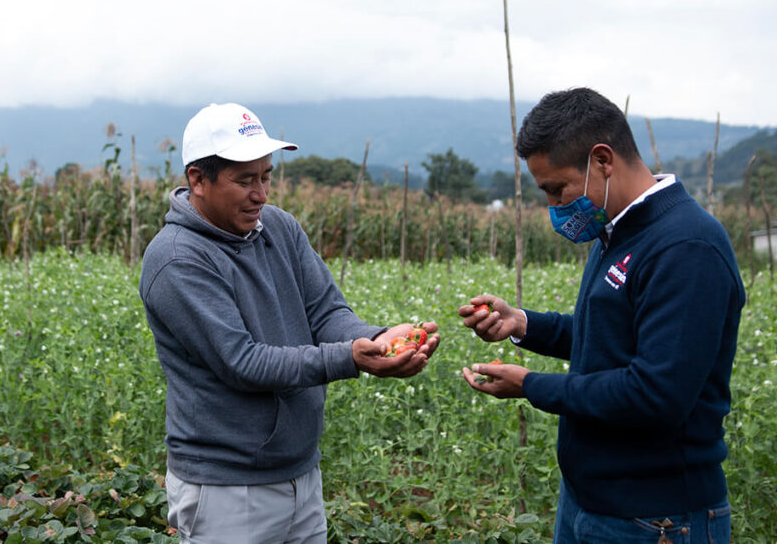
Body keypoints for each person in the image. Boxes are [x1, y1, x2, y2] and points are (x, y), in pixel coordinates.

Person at [140, 102, 439, 544]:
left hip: (300, 473)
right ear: (198, 180)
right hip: (227, 488)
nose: (260, 193)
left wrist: (377, 339)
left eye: (265, 176)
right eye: (245, 180)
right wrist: (352, 359)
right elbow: (242, 362)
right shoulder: (177, 259)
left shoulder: (277, 227)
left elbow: (326, 312)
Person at [458, 87, 743, 544]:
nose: (553, 206)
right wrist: (523, 325)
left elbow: (656, 394)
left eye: (557, 188)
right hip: (590, 502)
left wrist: (531, 385)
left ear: (603, 161)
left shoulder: (686, 247)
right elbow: (610, 338)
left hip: (657, 517)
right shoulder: (616, 233)